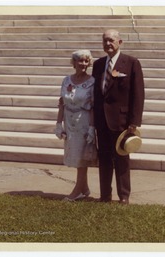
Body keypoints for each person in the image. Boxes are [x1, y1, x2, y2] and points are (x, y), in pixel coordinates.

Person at [92, 29, 145, 204]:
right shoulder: (98, 65)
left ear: (119, 42)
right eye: (105, 40)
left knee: (122, 159)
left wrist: (134, 122)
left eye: (111, 40)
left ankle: (124, 196)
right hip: (102, 122)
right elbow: (96, 94)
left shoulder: (131, 63)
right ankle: (105, 195)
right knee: (104, 159)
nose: (108, 44)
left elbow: (138, 95)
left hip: (122, 122)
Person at [55, 50, 96, 201]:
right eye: (80, 61)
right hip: (69, 121)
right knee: (75, 155)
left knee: (81, 157)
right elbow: (62, 103)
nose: (83, 64)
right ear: (74, 63)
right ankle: (84, 188)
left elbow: (93, 107)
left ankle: (78, 190)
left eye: (86, 61)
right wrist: (59, 124)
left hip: (83, 121)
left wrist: (92, 128)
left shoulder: (92, 82)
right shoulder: (66, 80)